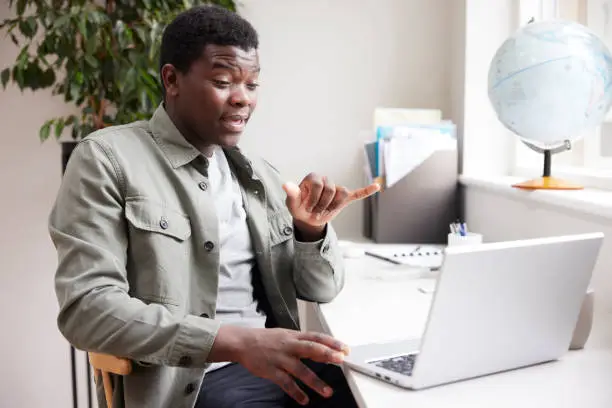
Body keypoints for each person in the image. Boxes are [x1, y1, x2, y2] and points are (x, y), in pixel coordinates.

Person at [49, 4, 379, 408]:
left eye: (253, 85)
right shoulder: (106, 159)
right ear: (171, 79)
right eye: (223, 81)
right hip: (188, 386)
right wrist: (234, 342)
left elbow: (321, 289)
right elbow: (88, 309)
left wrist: (310, 231)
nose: (242, 100)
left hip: (277, 367)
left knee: (380, 391)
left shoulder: (258, 175)